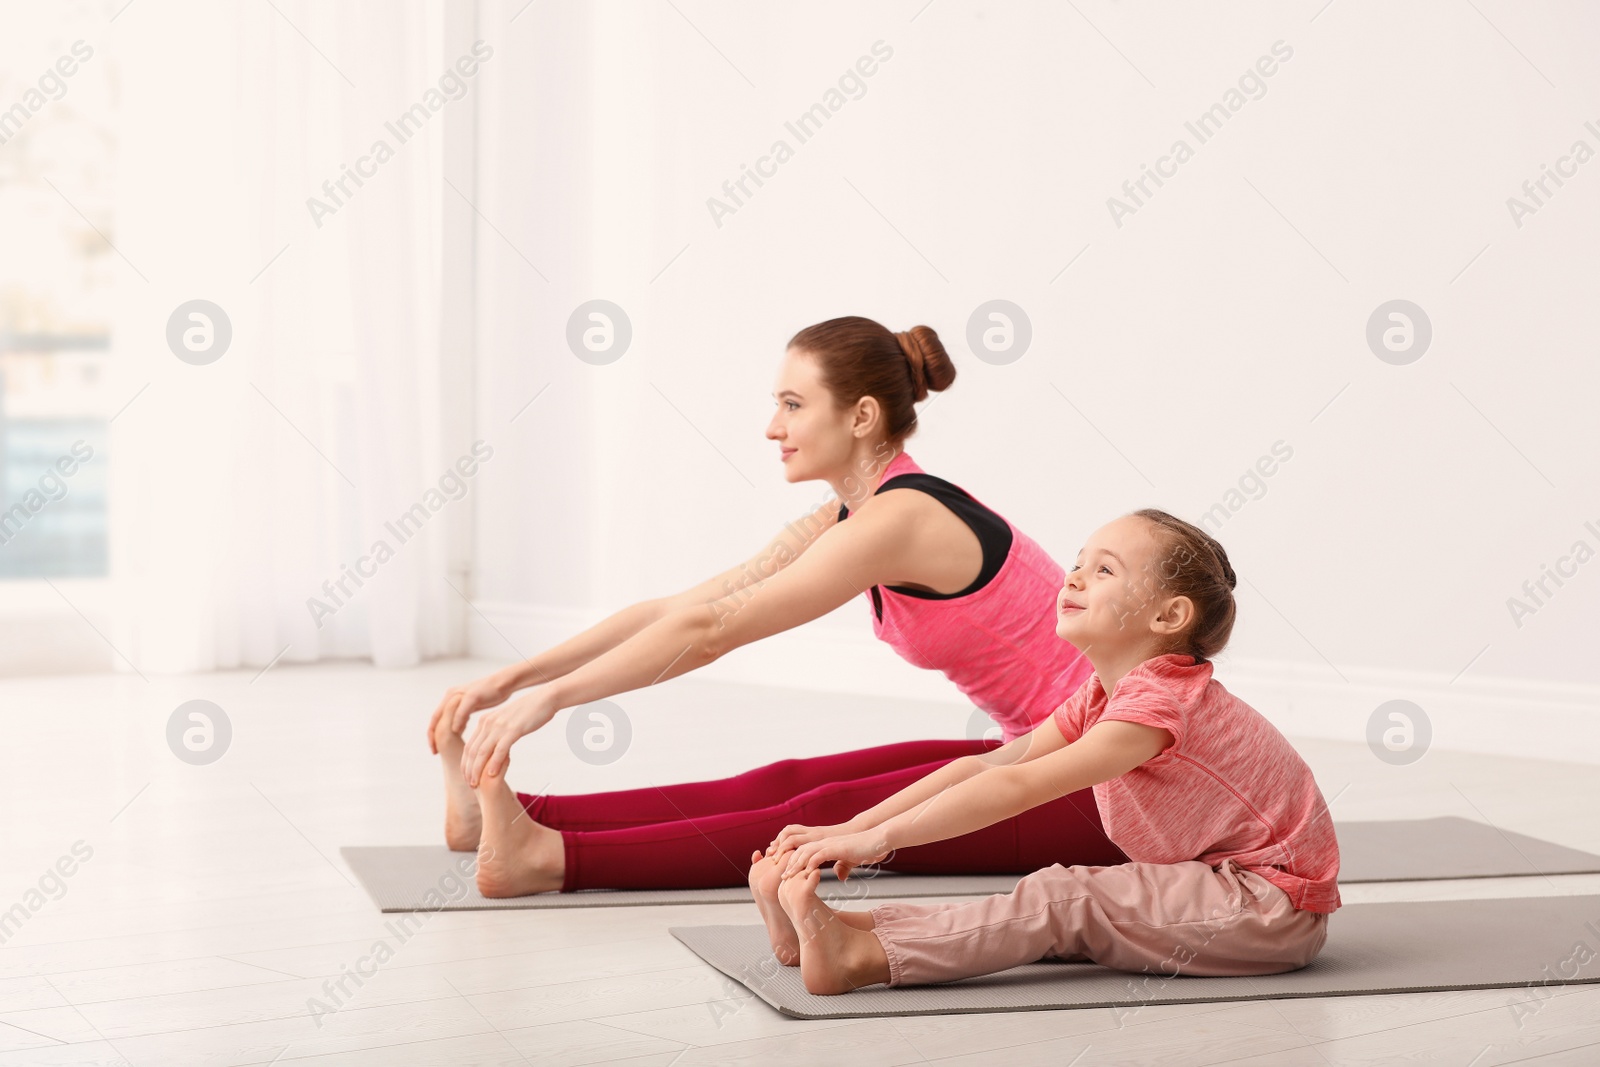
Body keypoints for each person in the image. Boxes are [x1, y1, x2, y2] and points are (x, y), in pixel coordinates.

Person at [426, 315, 1129, 896]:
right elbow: (685, 607)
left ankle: (548, 857)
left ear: (860, 416)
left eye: (793, 404)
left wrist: (550, 701)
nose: (772, 426)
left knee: (824, 813)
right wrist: (511, 681)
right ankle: (514, 820)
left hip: (1114, 789)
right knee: (796, 780)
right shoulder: (854, 514)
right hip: (1049, 751)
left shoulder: (898, 519)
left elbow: (708, 635)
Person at [755, 509, 1339, 993]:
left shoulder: (1159, 706)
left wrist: (876, 843)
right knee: (1056, 901)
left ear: (1169, 616)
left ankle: (860, 958)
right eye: (1078, 563)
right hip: (1218, 886)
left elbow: (1016, 788)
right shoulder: (1101, 697)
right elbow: (985, 765)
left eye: (1104, 570)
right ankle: (829, 931)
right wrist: (849, 827)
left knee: (1064, 899)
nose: (1074, 578)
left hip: (1271, 910)